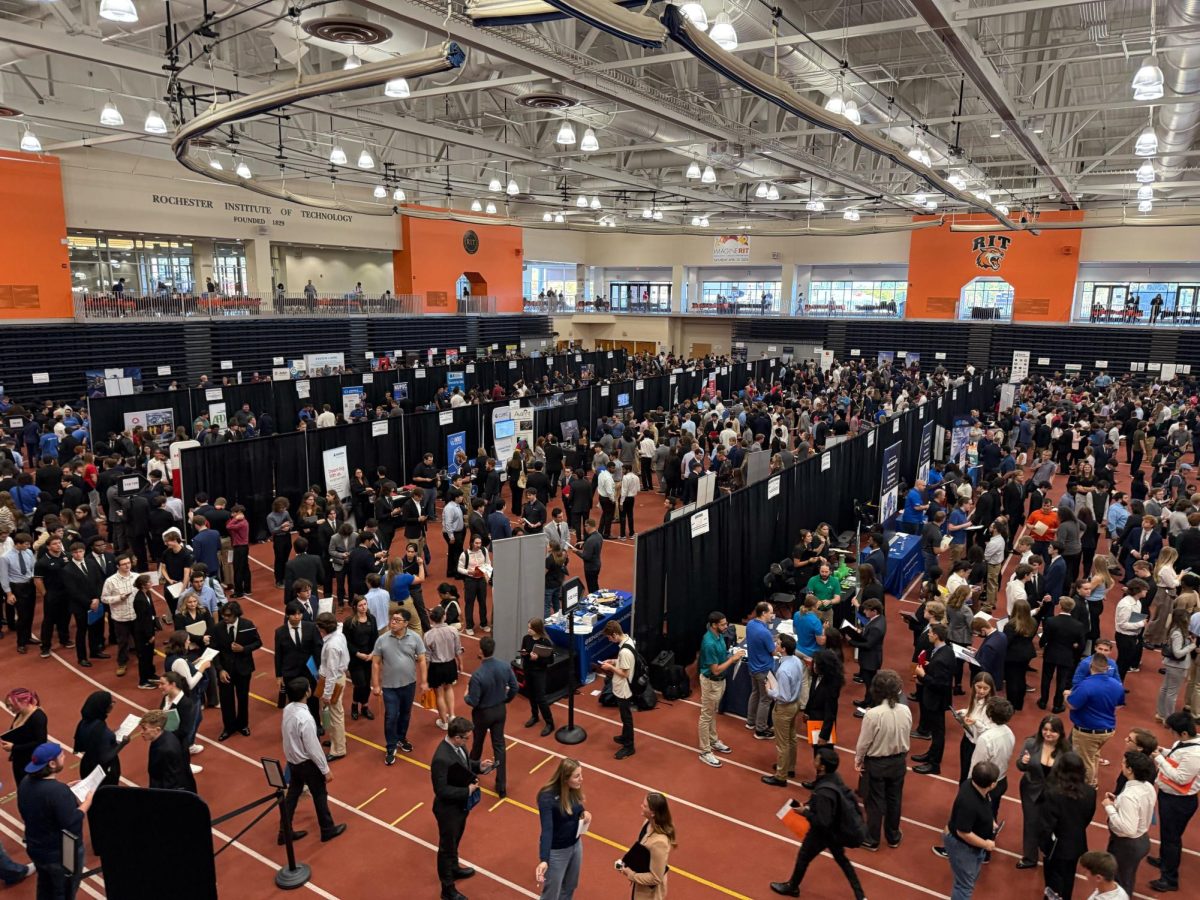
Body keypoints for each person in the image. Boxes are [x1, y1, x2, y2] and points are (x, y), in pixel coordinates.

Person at [769, 746, 866, 898]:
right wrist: (809, 805)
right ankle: (861, 896)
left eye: (817, 759)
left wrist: (805, 812)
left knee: (804, 856)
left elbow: (822, 821)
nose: (814, 760)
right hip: (836, 830)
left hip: (823, 833)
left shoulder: (824, 792)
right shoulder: (834, 777)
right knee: (843, 862)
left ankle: (792, 887)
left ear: (822, 766)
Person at [16, 742, 92, 900]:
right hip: (63, 851)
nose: (64, 757)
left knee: (44, 886)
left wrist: (65, 789)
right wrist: (86, 804)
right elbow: (71, 822)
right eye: (61, 756)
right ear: (51, 763)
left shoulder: (25, 782)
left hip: (36, 847)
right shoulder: (56, 791)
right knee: (65, 891)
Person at [278, 678, 346, 845]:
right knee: (320, 795)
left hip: (293, 762)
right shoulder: (306, 719)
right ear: (307, 692)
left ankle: (284, 832)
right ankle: (327, 829)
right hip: (307, 764)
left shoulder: (287, 710)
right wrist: (325, 769)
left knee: (292, 796)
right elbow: (313, 747)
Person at [431, 716, 491, 900]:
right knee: (446, 848)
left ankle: (454, 868)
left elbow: (464, 765)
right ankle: (447, 889)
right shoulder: (441, 758)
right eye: (466, 737)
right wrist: (467, 791)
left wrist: (479, 766)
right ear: (457, 737)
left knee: (455, 842)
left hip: (460, 808)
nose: (468, 740)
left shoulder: (458, 746)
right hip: (448, 810)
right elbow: (441, 790)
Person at [854, 668, 911, 850]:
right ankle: (893, 836)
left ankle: (872, 838)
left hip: (877, 763)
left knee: (875, 802)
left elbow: (864, 742)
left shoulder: (872, 715)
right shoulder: (905, 710)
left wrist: (858, 759)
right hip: (899, 761)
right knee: (894, 799)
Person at [1147, 711, 1200, 892]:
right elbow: (1177, 755)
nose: (1172, 735)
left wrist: (1159, 759)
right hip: (1170, 797)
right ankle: (1164, 860)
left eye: (1174, 732)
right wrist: (1164, 751)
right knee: (1167, 834)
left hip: (1179, 801)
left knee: (1172, 839)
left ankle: (1170, 879)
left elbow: (1181, 778)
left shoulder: (1195, 754)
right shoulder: (1185, 743)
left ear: (1184, 733)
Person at [372, 608, 428, 765]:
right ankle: (390, 746)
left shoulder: (415, 638)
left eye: (397, 620)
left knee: (405, 713)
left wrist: (424, 681)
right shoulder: (382, 640)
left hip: (409, 684)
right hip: (389, 687)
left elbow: (422, 660)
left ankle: (401, 738)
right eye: (392, 619)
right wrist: (376, 685)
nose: (393, 622)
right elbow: (376, 663)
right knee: (391, 716)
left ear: (406, 623)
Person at [464, 635, 518, 798]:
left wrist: (466, 695)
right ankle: (501, 786)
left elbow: (473, 701)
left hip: (482, 714)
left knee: (478, 744)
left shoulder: (478, 675)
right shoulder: (504, 666)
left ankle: (471, 776)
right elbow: (514, 687)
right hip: (500, 710)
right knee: (499, 746)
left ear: (481, 650)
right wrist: (505, 700)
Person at [938, 760, 999, 900]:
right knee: (964, 886)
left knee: (969, 878)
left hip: (974, 847)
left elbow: (986, 802)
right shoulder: (969, 803)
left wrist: (991, 821)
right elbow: (963, 832)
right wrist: (986, 844)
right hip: (962, 847)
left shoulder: (971, 784)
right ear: (993, 784)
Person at [1040, 751, 1097, 900]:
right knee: (1068, 877)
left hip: (1056, 846)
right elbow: (1088, 817)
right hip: (1077, 842)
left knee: (1053, 881)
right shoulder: (1090, 792)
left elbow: (1047, 825)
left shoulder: (1053, 793)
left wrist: (1045, 846)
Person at [1016, 714, 1068, 869]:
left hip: (1055, 794)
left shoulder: (1067, 750)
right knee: (1031, 822)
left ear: (1060, 733)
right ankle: (1030, 857)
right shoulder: (1031, 744)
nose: (1048, 733)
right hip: (1030, 790)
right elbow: (1020, 766)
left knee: (1050, 825)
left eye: (1053, 731)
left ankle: (1048, 851)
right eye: (1045, 729)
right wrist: (1023, 762)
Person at [1065, 653, 1125, 786]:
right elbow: (1119, 705)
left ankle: (1088, 787)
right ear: (1107, 668)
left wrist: (1066, 695)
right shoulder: (1117, 685)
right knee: (1093, 756)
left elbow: (1071, 705)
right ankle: (1093, 781)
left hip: (1087, 731)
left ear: (1091, 666)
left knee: (1084, 762)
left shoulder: (1086, 685)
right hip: (1107, 730)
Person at [535, 758, 590, 900]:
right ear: (565, 778)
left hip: (576, 845)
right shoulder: (546, 797)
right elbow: (547, 830)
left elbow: (577, 809)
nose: (581, 779)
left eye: (581, 774)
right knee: (551, 893)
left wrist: (584, 814)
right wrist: (544, 859)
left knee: (570, 886)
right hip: (557, 851)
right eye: (577, 776)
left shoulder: (573, 790)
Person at [1102, 750, 1156, 897]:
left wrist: (1109, 807)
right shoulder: (1148, 786)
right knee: (1128, 876)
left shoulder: (1129, 796)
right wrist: (1118, 802)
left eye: (1124, 763)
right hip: (1142, 839)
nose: (1122, 765)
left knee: (1120, 881)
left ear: (1130, 769)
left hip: (1126, 845)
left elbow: (1128, 829)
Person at [696, 611, 744, 767]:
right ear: (714, 625)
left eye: (726, 623)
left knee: (712, 712)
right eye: (723, 624)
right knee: (706, 715)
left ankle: (713, 740)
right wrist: (732, 659)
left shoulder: (718, 636)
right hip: (711, 682)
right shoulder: (709, 643)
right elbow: (715, 669)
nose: (726, 626)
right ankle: (705, 751)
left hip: (719, 681)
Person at [762, 633, 806, 787]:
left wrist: (769, 690)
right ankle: (790, 767)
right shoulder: (796, 661)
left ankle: (781, 776)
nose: (775, 644)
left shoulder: (783, 671)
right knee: (792, 737)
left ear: (784, 649)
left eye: (778, 643)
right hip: (795, 705)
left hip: (784, 708)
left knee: (782, 743)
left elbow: (784, 696)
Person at [617, 792, 676, 900]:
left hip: (649, 894)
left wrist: (631, 874)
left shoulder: (660, 843)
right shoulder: (647, 823)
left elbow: (656, 878)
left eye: (645, 806)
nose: (641, 806)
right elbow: (642, 849)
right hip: (640, 882)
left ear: (653, 813)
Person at [913, 623, 954, 775]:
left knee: (938, 733)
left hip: (935, 700)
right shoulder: (946, 650)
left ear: (936, 635)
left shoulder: (941, 657)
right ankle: (931, 754)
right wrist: (930, 667)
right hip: (937, 699)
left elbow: (940, 683)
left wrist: (923, 675)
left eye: (930, 632)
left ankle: (934, 764)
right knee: (937, 732)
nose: (928, 634)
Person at [274, 601, 322, 726]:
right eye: (294, 614)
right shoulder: (279, 632)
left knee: (313, 700)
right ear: (287, 616)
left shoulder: (311, 627)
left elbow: (317, 649)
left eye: (299, 614)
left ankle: (316, 724)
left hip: (309, 670)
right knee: (294, 702)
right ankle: (298, 725)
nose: (297, 616)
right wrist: (278, 675)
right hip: (290, 672)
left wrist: (320, 668)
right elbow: (278, 654)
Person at [1039, 597, 1087, 713]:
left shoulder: (1051, 621)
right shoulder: (1078, 625)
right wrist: (1074, 649)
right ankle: (1057, 705)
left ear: (1060, 606)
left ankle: (1043, 702)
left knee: (1046, 678)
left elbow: (1044, 638)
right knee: (1062, 681)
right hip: (1067, 655)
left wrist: (1042, 644)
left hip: (1050, 654)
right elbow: (1081, 645)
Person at [600, 619, 637, 759]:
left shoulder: (624, 652)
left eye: (609, 637)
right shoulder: (628, 641)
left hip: (624, 689)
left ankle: (629, 746)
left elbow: (624, 673)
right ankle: (625, 736)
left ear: (615, 634)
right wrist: (613, 661)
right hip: (624, 687)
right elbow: (624, 664)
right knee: (624, 717)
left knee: (626, 718)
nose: (609, 640)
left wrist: (610, 667)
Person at [316, 612, 349, 762]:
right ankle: (337, 739)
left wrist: (327, 694)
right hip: (337, 678)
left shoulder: (331, 647)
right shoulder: (338, 634)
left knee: (335, 715)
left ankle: (339, 749)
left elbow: (331, 672)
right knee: (332, 713)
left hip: (333, 681)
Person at [138, 708, 196, 791]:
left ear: (157, 729)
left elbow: (171, 781)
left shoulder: (166, 750)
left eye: (144, 729)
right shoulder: (163, 736)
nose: (141, 732)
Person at [72, 691, 122, 787]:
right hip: (102, 773)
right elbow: (105, 757)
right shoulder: (102, 731)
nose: (113, 704)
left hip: (86, 766)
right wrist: (123, 743)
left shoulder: (83, 723)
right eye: (111, 702)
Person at [425, 605, 463, 731]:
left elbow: (427, 657)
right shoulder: (453, 631)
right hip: (450, 664)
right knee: (449, 688)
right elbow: (457, 649)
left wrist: (425, 675)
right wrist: (460, 663)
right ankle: (452, 715)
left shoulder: (428, 635)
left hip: (436, 667)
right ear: (444, 617)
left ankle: (443, 721)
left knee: (439, 694)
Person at [2, 688, 48, 788]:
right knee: (21, 786)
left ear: (24, 701)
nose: (10, 708)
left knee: (29, 788)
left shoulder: (38, 717)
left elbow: (40, 742)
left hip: (30, 761)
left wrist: (14, 747)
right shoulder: (20, 713)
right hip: (19, 759)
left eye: (11, 705)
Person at [847, 598, 886, 714]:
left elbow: (868, 644)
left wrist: (851, 641)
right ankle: (866, 701)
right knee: (869, 683)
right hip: (870, 658)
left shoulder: (876, 626)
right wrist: (861, 632)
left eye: (867, 610)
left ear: (874, 611)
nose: (864, 612)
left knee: (870, 684)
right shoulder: (879, 619)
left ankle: (869, 707)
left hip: (870, 659)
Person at [744, 600, 776, 739]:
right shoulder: (764, 632)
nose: (772, 615)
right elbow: (773, 651)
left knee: (755, 693)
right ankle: (760, 729)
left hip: (753, 666)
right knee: (766, 699)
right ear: (763, 613)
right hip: (764, 670)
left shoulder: (750, 624)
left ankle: (750, 721)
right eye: (770, 613)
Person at [1157, 608, 1196, 722]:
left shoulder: (1174, 630)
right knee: (1172, 693)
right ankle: (1169, 718)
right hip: (1177, 666)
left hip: (1172, 665)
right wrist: (1192, 646)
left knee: (1165, 689)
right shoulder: (1178, 633)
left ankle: (1161, 714)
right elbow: (1178, 653)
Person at [520, 618, 557, 737]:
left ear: (537, 629)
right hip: (528, 670)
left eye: (530, 628)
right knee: (531, 695)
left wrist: (538, 659)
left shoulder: (545, 642)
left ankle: (550, 723)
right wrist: (526, 654)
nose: (528, 630)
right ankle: (535, 716)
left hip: (539, 672)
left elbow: (550, 660)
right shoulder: (526, 638)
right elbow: (523, 653)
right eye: (528, 627)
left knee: (541, 698)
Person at [457, 534, 491, 637]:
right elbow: (459, 568)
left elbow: (488, 563)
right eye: (476, 543)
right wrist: (469, 572)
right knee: (469, 603)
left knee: (482, 602)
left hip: (481, 580)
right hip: (470, 581)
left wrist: (486, 574)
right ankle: (469, 626)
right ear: (471, 542)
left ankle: (483, 623)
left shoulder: (484, 551)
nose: (478, 545)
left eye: (480, 543)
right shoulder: (464, 554)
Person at [569, 518, 603, 594]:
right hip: (597, 564)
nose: (584, 528)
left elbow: (586, 556)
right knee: (595, 584)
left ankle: (594, 600)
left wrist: (576, 551)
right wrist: (584, 543)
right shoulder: (599, 536)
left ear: (589, 526)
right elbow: (593, 545)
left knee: (592, 587)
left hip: (590, 568)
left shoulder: (590, 540)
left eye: (585, 526)